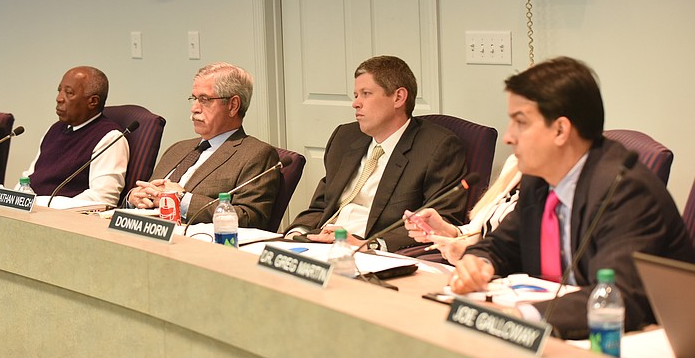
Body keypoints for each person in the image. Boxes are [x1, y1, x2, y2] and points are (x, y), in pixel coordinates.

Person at [451, 56, 695, 339]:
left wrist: (522, 319)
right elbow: (503, 244)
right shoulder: (540, 180)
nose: (508, 137)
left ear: (560, 130)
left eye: (520, 122)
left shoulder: (625, 189)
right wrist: (479, 262)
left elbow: (616, 295)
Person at [284, 55, 468, 252]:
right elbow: (322, 205)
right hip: (323, 244)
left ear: (398, 97)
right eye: (356, 95)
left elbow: (440, 221)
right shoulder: (344, 137)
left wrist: (369, 245)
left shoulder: (437, 147)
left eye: (366, 94)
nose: (355, 104)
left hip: (371, 251)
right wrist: (297, 232)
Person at [127, 62, 279, 229]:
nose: (194, 108)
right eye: (194, 98)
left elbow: (249, 218)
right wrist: (134, 198)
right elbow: (150, 193)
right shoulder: (177, 149)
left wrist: (181, 199)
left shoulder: (255, 154)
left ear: (233, 105)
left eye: (204, 100)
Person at [24, 66, 128, 207]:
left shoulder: (110, 138)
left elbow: (102, 199)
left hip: (62, 220)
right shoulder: (54, 129)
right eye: (59, 90)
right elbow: (30, 177)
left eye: (69, 93)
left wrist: (41, 203)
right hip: (33, 212)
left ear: (93, 101)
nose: (59, 98)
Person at [404, 154, 521, 264]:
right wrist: (446, 230)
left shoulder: (536, 187)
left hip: (498, 277)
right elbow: (482, 232)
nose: (507, 138)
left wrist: (471, 254)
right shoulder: (515, 163)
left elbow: (527, 259)